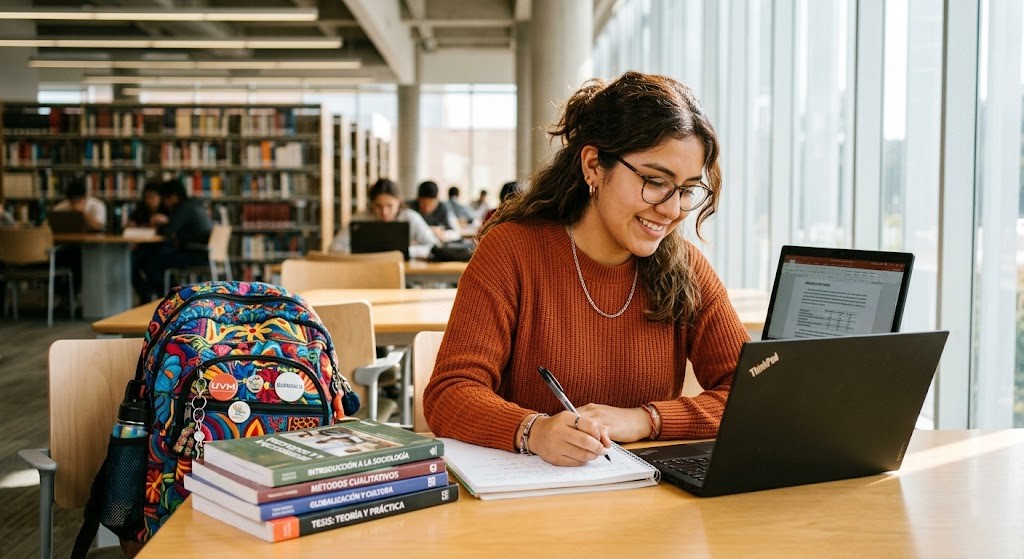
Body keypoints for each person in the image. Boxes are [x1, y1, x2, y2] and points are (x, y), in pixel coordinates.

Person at [423, 71, 749, 467]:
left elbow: (751, 392)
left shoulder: (687, 268)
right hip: (532, 505)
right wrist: (533, 430)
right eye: (654, 181)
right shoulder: (512, 252)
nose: (671, 209)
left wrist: (647, 420)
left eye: (686, 190)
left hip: (647, 504)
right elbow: (450, 392)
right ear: (594, 165)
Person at [135, 179, 213, 301]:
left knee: (151, 262)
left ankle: (168, 297)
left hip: (195, 254)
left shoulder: (184, 207)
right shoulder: (195, 204)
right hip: (205, 253)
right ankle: (170, 295)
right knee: (156, 258)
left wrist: (163, 222)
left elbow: (167, 232)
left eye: (165, 199)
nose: (165, 203)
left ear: (173, 197)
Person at [330, 178, 439, 253]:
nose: (384, 212)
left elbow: (433, 245)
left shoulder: (410, 217)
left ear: (398, 202)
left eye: (389, 206)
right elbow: (335, 247)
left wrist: (408, 251)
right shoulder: (360, 219)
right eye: (378, 206)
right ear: (372, 204)